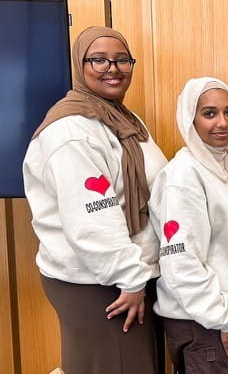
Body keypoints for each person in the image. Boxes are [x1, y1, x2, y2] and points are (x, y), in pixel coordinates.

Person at [23, 26, 167, 374]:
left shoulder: (122, 120)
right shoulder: (71, 130)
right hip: (99, 283)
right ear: (79, 64)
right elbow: (91, 221)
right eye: (98, 60)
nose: (112, 68)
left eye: (122, 60)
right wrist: (131, 279)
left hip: (125, 275)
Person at [148, 77, 228, 373]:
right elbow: (181, 263)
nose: (223, 123)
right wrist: (224, 318)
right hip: (202, 322)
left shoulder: (222, 166)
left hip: (213, 319)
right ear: (190, 118)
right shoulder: (184, 176)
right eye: (209, 113)